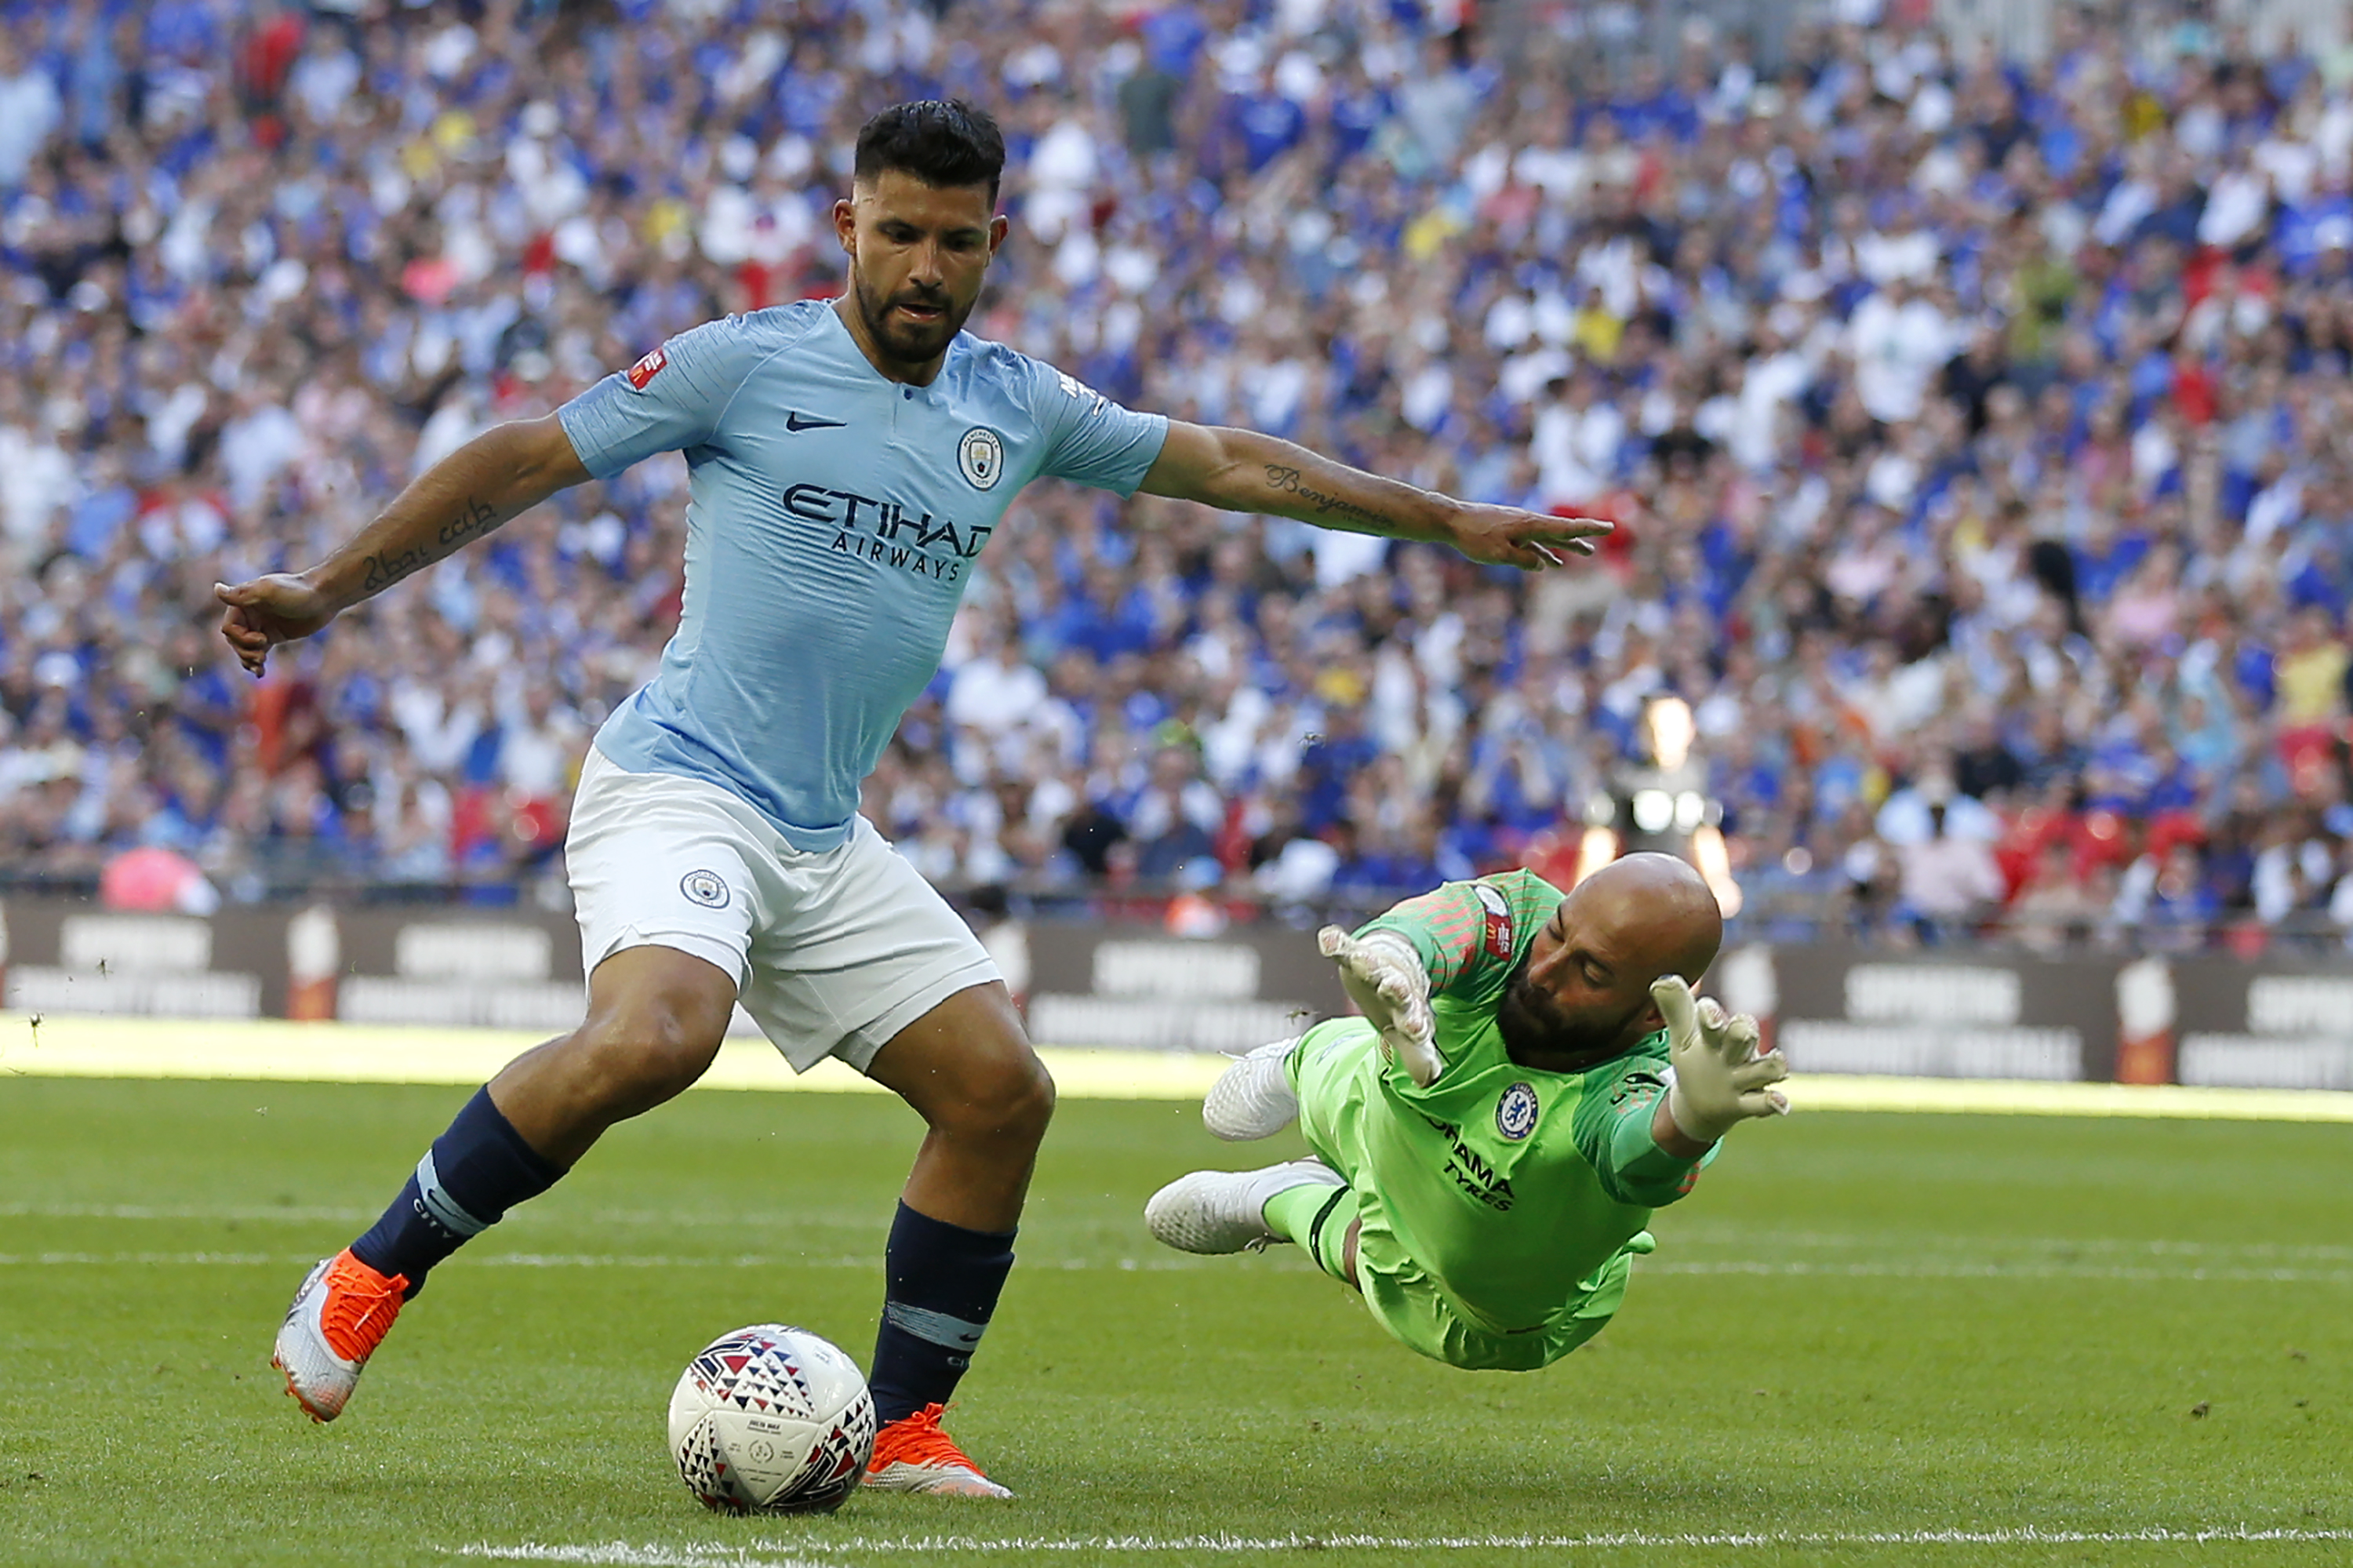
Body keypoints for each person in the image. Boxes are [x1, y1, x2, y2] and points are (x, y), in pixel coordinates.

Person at [216, 100, 1607, 1494]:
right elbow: (527, 453)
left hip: (822, 836)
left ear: (994, 242)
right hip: (679, 786)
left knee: (1002, 1090)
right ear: (848, 229)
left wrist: (1447, 517)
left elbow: (1238, 463)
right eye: (897, 235)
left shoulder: (1017, 403)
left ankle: (899, 1426)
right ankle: (364, 1272)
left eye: (954, 241)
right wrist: (328, 588)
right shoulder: (745, 364)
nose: (924, 268)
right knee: (657, 1032)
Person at [1144, 854, 1788, 1372]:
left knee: (1435, 1289)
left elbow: (1637, 1154)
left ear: (1651, 1011)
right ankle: (1300, 1061)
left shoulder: (1649, 1080)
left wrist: (1695, 1121)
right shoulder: (1520, 913)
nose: (1546, 969)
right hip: (1385, 1100)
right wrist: (1395, 960)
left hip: (1478, 1286)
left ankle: (1278, 1199)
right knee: (1368, 1061)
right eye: (1559, 933)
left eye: (1590, 972)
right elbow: (1437, 925)